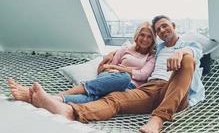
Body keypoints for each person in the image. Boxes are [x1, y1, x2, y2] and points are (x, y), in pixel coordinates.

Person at [13, 15, 205, 133]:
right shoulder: (158, 49)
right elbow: (134, 52)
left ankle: (158, 119)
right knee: (114, 99)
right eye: (159, 29)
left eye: (165, 26)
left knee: (188, 60)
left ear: (173, 25)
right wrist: (112, 55)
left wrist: (182, 52)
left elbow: (194, 52)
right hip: (150, 89)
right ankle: (71, 111)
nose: (162, 30)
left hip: (175, 92)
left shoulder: (188, 44)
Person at [7, 22, 156, 104]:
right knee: (101, 91)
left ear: (152, 40)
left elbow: (143, 75)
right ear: (137, 36)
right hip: (108, 78)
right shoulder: (125, 49)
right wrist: (109, 66)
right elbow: (103, 68)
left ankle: (48, 98)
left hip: (127, 86)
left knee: (119, 81)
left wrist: (117, 68)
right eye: (142, 35)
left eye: (149, 37)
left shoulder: (151, 56)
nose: (145, 39)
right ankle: (55, 97)